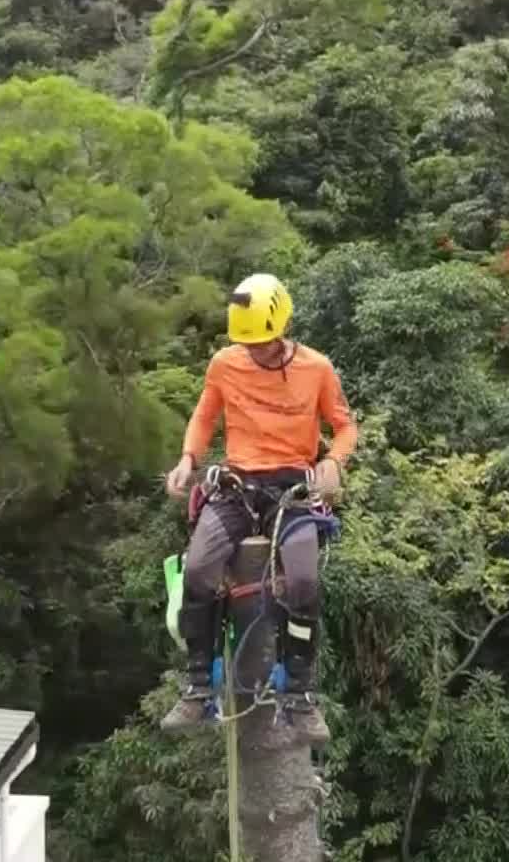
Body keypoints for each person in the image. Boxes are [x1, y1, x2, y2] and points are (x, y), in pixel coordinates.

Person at [162, 273, 357, 745]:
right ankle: (198, 687)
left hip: (291, 486)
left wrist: (332, 462)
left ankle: (299, 692)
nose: (256, 351)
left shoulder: (317, 369)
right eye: (249, 343)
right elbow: (205, 416)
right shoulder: (225, 365)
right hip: (237, 483)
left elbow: (345, 426)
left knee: (305, 580)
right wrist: (189, 458)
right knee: (201, 569)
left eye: (265, 342)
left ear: (283, 329)